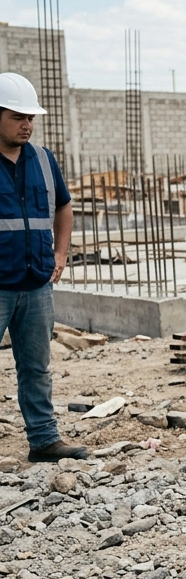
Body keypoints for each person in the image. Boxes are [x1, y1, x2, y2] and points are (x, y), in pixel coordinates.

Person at [0, 73, 87, 464]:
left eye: (31, 118)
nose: (27, 125)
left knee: (36, 368)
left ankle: (44, 440)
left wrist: (62, 253)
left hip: (36, 283)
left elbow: (63, 206)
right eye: (18, 116)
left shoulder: (44, 159)